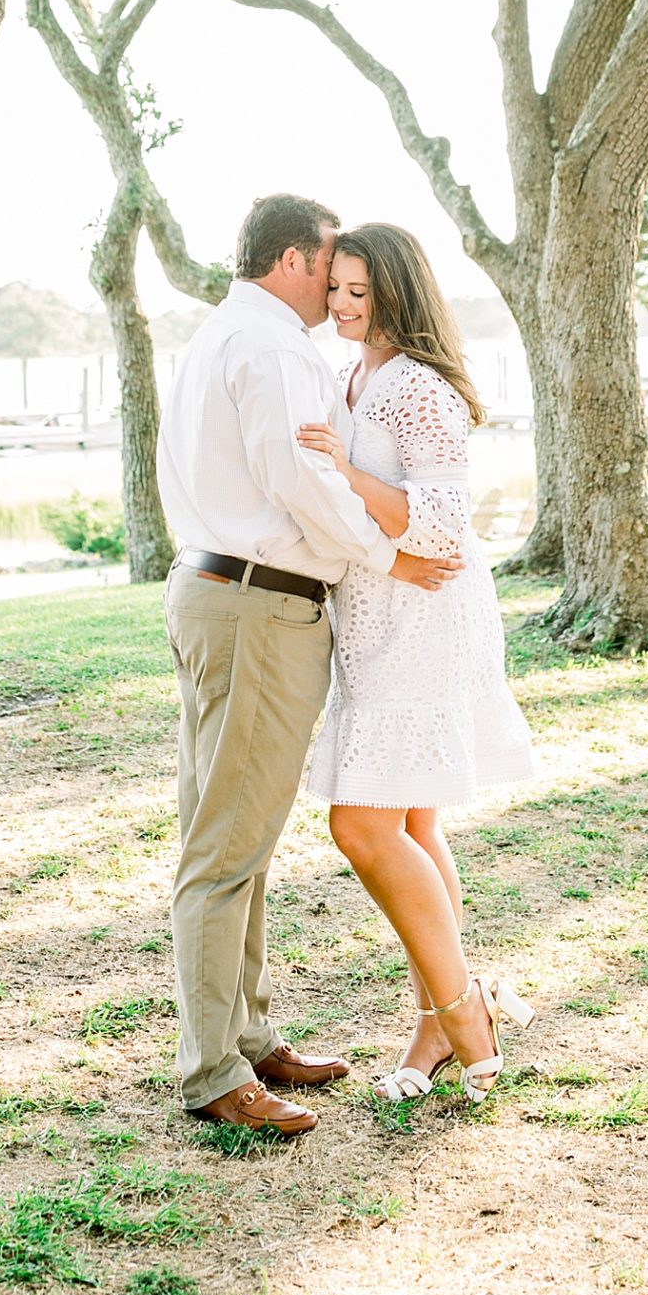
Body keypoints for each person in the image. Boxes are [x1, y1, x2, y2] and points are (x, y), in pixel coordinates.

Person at [156, 192, 465, 1139]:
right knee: (224, 846)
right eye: (329, 271)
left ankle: (244, 1036)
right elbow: (302, 481)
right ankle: (213, 1068)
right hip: (256, 606)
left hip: (218, 592)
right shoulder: (275, 350)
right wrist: (391, 560)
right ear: (292, 260)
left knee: (231, 828)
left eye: (353, 284)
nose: (335, 293)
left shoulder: (216, 337)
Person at [296, 222, 538, 1103]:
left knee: (361, 828)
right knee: (415, 828)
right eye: (336, 292)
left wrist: (343, 473)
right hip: (370, 618)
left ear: (398, 292)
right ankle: (438, 1020)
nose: (344, 308)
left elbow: (440, 526)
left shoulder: (418, 391)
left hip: (423, 618)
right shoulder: (347, 376)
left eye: (361, 293)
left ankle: (462, 1005)